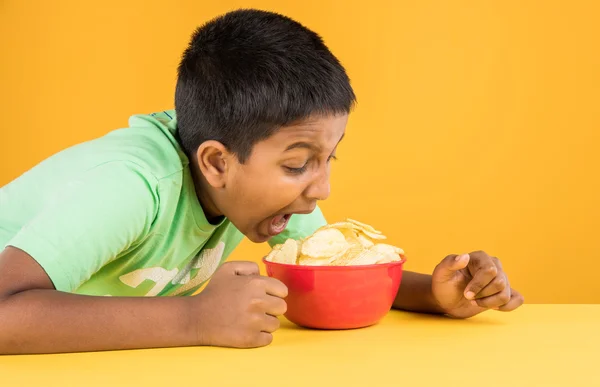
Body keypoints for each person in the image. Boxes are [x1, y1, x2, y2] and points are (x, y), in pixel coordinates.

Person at [0, 9, 523, 355]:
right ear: (217, 163)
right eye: (298, 165)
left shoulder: (262, 197)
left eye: (328, 159)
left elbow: (318, 277)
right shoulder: (130, 186)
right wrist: (194, 322)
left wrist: (435, 294)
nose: (321, 190)